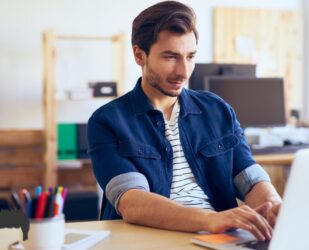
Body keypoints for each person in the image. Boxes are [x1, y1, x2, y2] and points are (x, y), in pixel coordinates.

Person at [88, 1, 282, 241]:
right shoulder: (108, 121)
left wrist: (273, 206)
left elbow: (250, 178)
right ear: (139, 55)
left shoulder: (217, 110)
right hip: (153, 238)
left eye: (190, 56)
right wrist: (211, 220)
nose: (184, 71)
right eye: (170, 57)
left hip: (219, 237)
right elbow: (132, 202)